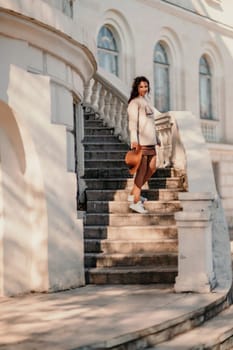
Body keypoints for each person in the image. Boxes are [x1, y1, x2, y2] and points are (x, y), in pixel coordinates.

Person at [127, 76, 161, 214]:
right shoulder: (134, 103)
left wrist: (157, 138)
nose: (144, 89)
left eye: (146, 86)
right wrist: (134, 140)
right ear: (136, 88)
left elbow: (151, 124)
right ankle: (135, 202)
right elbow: (132, 123)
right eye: (141, 86)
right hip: (141, 143)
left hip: (151, 142)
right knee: (141, 171)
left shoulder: (147, 101)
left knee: (152, 168)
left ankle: (134, 192)